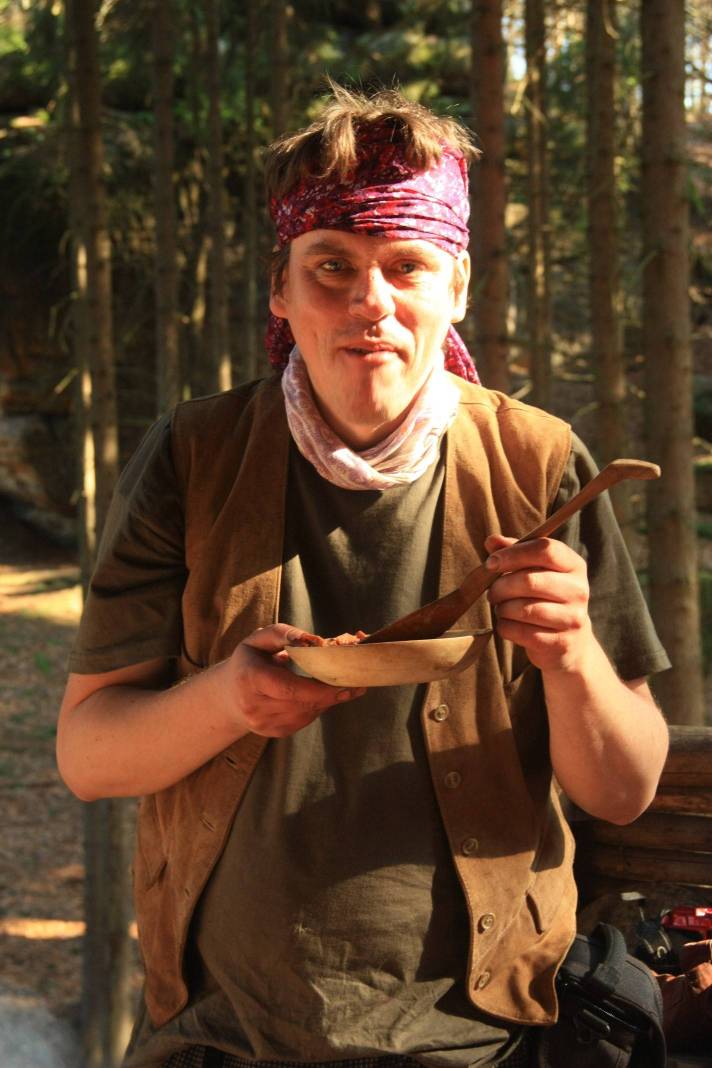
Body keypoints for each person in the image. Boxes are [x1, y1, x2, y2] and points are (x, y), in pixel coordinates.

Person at [57, 85, 670, 1068]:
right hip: (218, 1035)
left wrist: (571, 657)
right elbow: (90, 755)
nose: (370, 302)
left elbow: (626, 787)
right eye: (332, 266)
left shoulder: (539, 465)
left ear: (456, 286)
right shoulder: (196, 458)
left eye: (406, 266)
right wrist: (229, 700)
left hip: (484, 1039)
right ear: (281, 290)